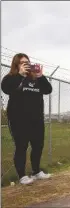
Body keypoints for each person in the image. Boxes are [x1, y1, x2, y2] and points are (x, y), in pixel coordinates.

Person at [1, 53, 52, 185]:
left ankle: (36, 172)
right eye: (22, 62)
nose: (26, 65)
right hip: (18, 120)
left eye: (27, 62)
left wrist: (40, 76)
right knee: (21, 147)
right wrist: (20, 75)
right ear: (16, 65)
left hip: (36, 120)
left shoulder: (35, 79)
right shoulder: (11, 78)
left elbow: (48, 89)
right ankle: (22, 176)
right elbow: (6, 88)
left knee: (38, 146)